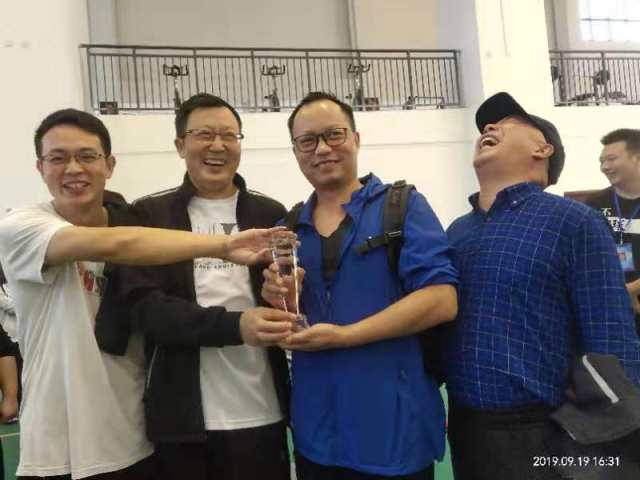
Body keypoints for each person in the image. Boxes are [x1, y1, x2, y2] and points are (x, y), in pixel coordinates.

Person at [0, 108, 288, 480]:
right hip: (57, 452)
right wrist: (223, 247)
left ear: (109, 165)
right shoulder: (23, 226)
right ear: (40, 167)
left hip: (135, 443)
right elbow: (122, 248)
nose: (73, 168)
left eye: (87, 156)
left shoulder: (264, 212)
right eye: (58, 158)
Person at [442, 92, 640, 480]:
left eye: (507, 123)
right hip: (466, 431)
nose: (489, 127)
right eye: (487, 125)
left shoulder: (574, 221)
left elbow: (612, 339)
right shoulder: (457, 231)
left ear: (542, 149)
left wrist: (616, 445)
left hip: (544, 433)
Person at [262, 92, 459, 479]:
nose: (322, 149)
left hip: (393, 433)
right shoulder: (289, 228)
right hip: (316, 435)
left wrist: (344, 336)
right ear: (296, 151)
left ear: (355, 138)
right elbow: (287, 319)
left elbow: (441, 299)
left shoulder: (401, 207)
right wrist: (279, 298)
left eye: (333, 134)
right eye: (307, 141)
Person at [119, 93, 293, 480]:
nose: (218, 145)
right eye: (204, 134)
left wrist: (287, 294)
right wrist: (236, 325)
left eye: (229, 135)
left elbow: (291, 300)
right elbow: (145, 309)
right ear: (180, 145)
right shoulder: (148, 215)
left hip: (263, 412)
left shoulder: (271, 214)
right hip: (181, 421)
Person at [586, 128, 640, 333]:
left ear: (637, 158)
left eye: (611, 159)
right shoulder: (594, 203)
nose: (605, 167)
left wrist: (632, 288)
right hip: (608, 307)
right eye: (601, 161)